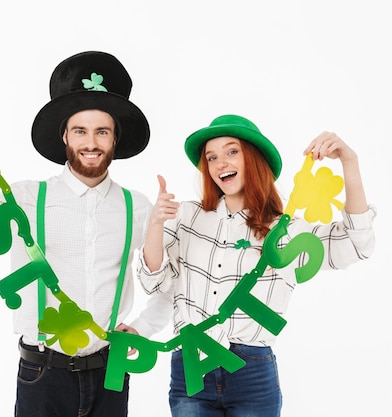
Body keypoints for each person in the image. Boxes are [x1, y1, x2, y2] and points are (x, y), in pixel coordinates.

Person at [0, 51, 170, 417]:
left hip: (111, 373)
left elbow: (170, 282)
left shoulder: (138, 207)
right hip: (42, 374)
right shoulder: (25, 198)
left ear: (115, 139)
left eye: (102, 131)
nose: (91, 143)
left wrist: (144, 327)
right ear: (64, 137)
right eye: (80, 131)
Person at [134, 114, 376, 416]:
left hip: (251, 372)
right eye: (212, 157)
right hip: (191, 369)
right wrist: (156, 224)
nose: (221, 163)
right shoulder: (187, 216)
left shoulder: (285, 232)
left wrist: (349, 163)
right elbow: (153, 282)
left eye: (232, 151)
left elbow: (357, 244)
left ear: (254, 159)